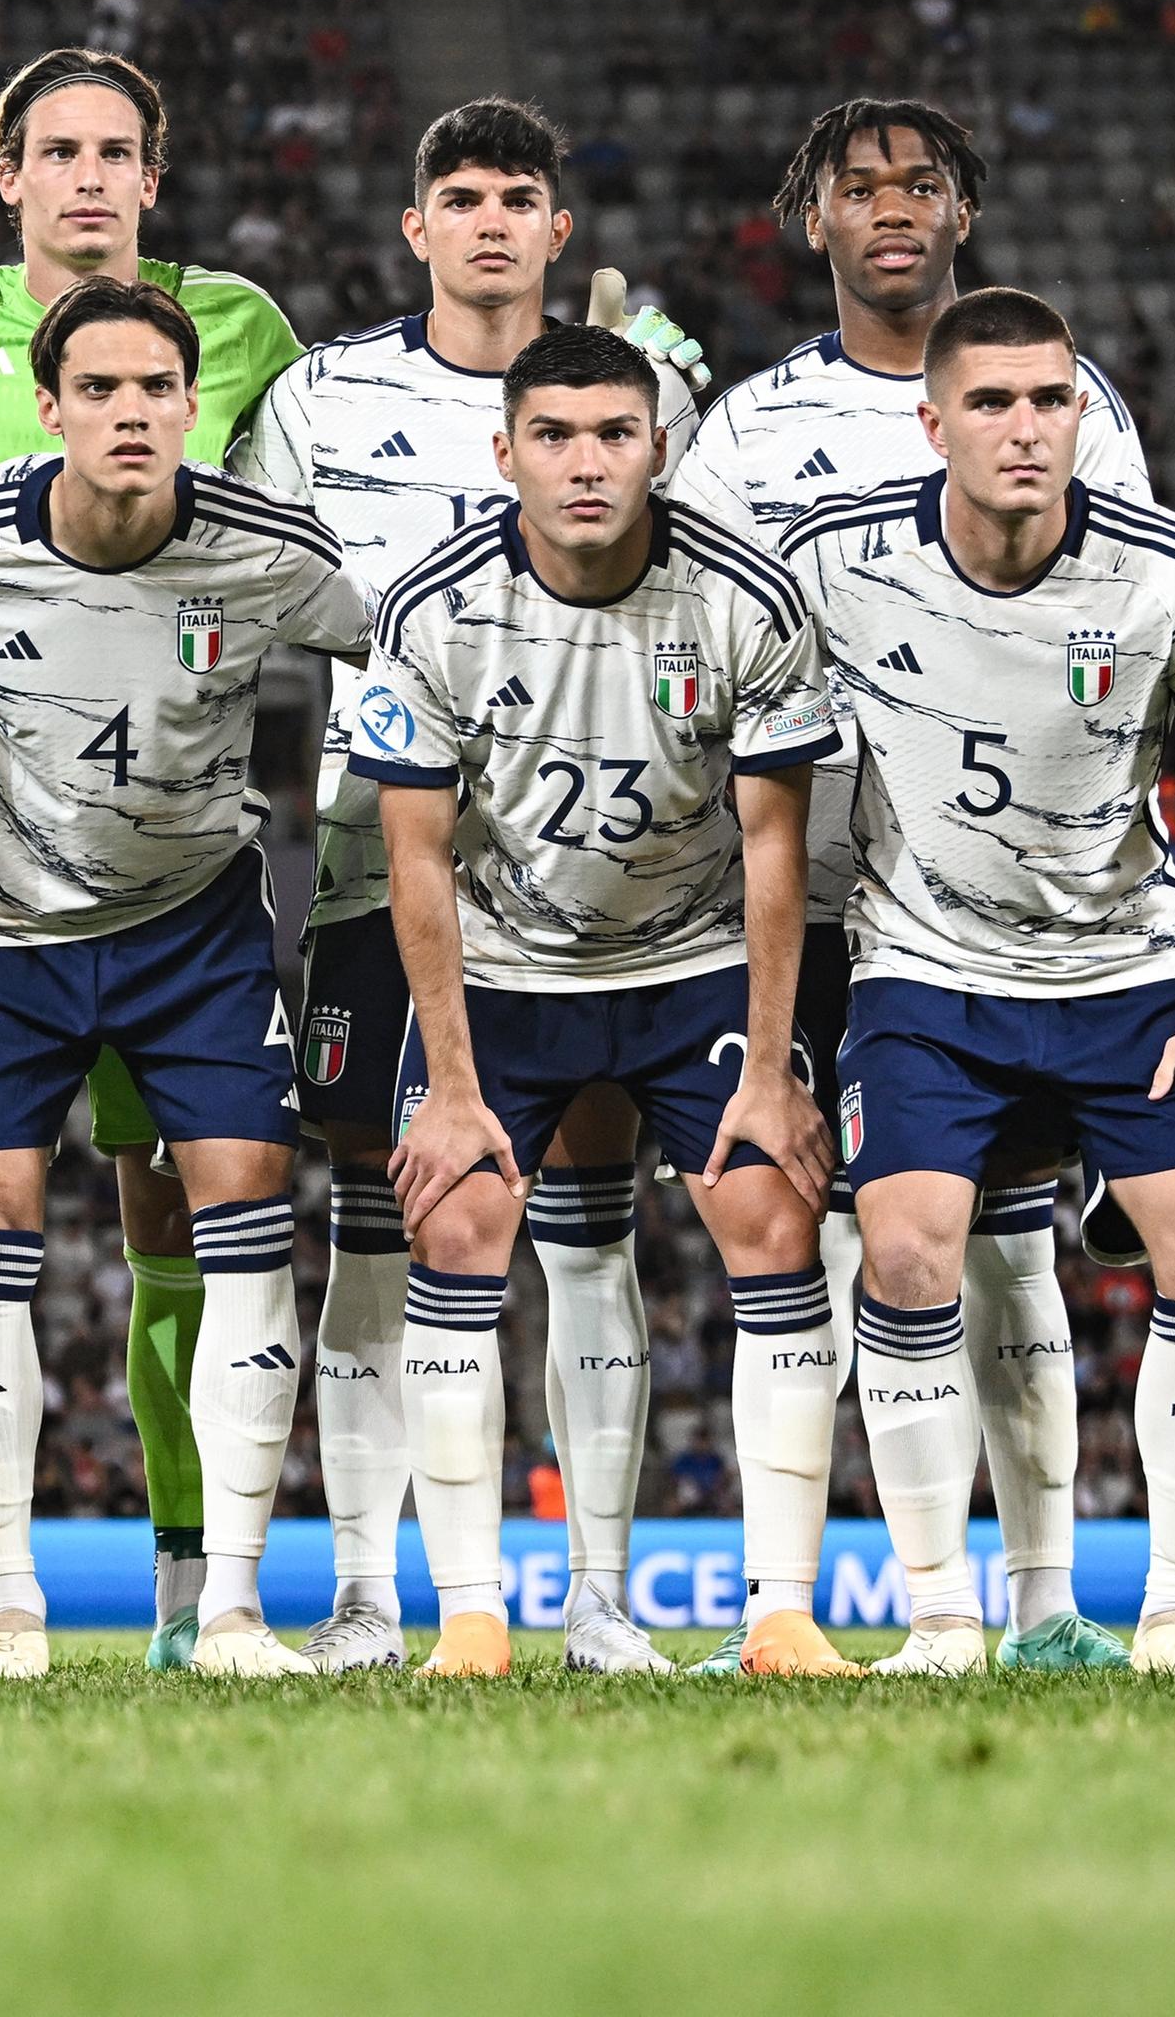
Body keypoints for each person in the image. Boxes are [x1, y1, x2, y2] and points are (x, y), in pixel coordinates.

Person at [658, 97, 1156, 1676]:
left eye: (922, 184)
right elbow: (710, 659)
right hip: (825, 912)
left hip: (1009, 914)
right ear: (812, 221)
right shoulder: (746, 435)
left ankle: (1044, 1604)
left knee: (1010, 1249)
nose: (893, 208)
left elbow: (1137, 639)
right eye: (861, 188)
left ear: (964, 216)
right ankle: (806, 1604)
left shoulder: (1083, 407)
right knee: (823, 1245)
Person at [227, 94, 711, 1674]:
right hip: (390, 863)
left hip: (605, 884)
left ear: (560, 233)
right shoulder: (320, 400)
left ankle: (600, 1600)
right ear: (416, 229)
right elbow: (260, 599)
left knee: (587, 1226)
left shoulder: (647, 401)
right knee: (389, 1209)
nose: (492, 220)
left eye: (521, 197)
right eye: (463, 196)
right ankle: (374, 1592)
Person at [0, 277, 370, 1677]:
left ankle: (236, 1609)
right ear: (48, 408)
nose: (130, 414)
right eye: (101, 390)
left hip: (194, 931)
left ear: (194, 408)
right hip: (1, 933)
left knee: (246, 1212)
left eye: (156, 390)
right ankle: (8, 1606)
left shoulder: (267, 547)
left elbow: (419, 643)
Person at [778, 287, 1175, 1679]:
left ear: (1085, 415)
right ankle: (941, 1618)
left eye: (1050, 400)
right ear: (932, 421)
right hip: (925, 973)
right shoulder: (836, 560)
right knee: (905, 1252)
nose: (1024, 429)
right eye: (992, 403)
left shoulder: (1173, 572)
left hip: (1129, 972)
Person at [351, 322, 842, 1676]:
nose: (586, 464)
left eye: (614, 434)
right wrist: (450, 1088)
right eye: (555, 437)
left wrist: (767, 1067)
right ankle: (468, 1620)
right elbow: (416, 857)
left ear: (659, 448)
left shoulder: (747, 597)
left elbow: (774, 850)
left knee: (773, 1216)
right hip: (509, 971)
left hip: (691, 966)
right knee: (453, 1229)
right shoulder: (431, 604)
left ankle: (784, 1615)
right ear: (503, 452)